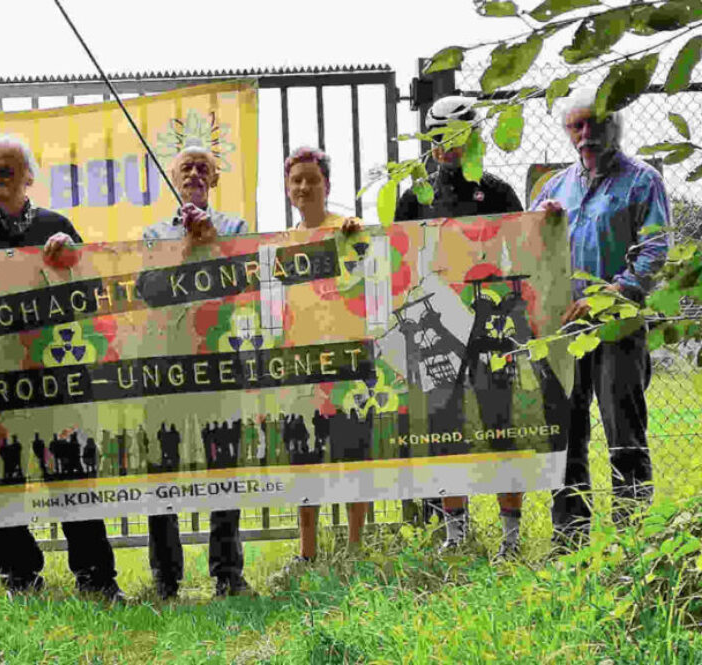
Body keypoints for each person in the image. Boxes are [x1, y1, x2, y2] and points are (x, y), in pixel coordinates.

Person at [0, 136, 125, 602]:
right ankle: (19, 580)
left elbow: (88, 297)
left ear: (28, 178)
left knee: (71, 474)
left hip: (55, 378)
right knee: (1, 480)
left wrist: (70, 261)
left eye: (5, 172)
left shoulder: (56, 227)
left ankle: (97, 578)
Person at [532, 89, 668, 548]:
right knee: (566, 435)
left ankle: (631, 541)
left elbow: (655, 250)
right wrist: (542, 223)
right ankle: (569, 539)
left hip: (617, 327)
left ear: (616, 126)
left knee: (623, 434)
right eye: (577, 126)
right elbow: (529, 250)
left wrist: (612, 294)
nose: (587, 134)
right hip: (564, 330)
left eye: (596, 123)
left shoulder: (643, 181)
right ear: (568, 132)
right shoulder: (553, 188)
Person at [394, 96, 527, 558]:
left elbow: (524, 253)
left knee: (500, 424)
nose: (446, 147)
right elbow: (399, 262)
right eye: (438, 138)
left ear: (474, 139)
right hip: (437, 323)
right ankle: (456, 534)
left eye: (457, 138)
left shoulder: (498, 192)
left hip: (491, 321)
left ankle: (511, 537)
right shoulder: (414, 197)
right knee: (445, 426)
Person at [142, 146, 252, 599]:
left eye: (203, 168)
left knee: (223, 463)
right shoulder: (153, 234)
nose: (194, 174)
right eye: (186, 167)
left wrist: (214, 244)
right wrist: (188, 248)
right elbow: (150, 291)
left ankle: (227, 573)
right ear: (173, 176)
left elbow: (242, 281)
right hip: (165, 360)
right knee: (162, 465)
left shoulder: (235, 228)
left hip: (220, 358)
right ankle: (166, 577)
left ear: (215, 179)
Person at [275, 147, 366, 576]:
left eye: (312, 179)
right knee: (303, 458)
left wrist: (359, 237)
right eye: (296, 180)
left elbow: (372, 269)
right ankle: (307, 554)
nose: (304, 187)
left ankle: (355, 549)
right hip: (301, 367)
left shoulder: (349, 229)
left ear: (327, 185)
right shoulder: (282, 243)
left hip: (346, 363)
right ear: (288, 188)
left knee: (352, 454)